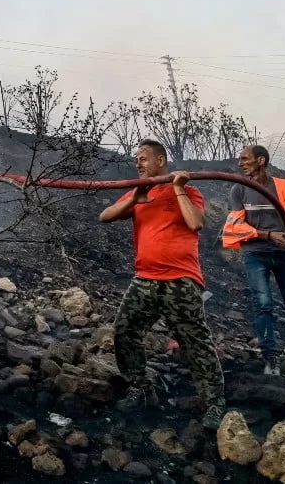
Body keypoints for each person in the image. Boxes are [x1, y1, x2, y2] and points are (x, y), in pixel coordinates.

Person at [98, 139, 226, 430]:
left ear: (161, 160)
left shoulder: (189, 191)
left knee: (194, 342)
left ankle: (214, 405)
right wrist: (136, 197)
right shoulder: (138, 193)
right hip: (145, 278)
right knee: (125, 330)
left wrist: (178, 187)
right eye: (137, 159)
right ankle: (141, 388)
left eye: (144, 158)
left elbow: (196, 223)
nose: (139, 163)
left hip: (181, 280)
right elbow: (104, 216)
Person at [222, 145, 285, 382]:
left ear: (261, 160)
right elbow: (235, 226)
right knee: (264, 304)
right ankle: (270, 357)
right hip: (255, 254)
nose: (240, 163)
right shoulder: (239, 190)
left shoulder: (283, 187)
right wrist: (268, 235)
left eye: (245, 159)